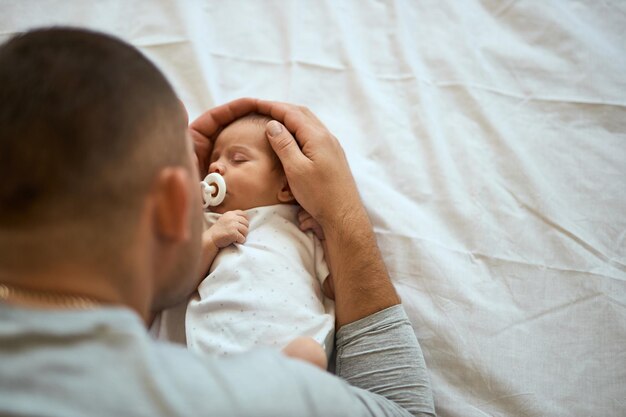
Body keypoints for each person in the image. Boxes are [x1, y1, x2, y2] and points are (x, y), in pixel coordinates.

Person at [0, 27, 436, 416]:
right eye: (199, 170)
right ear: (172, 207)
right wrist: (343, 214)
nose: (212, 172)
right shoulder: (243, 396)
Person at [154, 114, 334, 370]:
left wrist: (326, 236)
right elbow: (176, 284)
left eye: (237, 159)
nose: (216, 167)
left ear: (285, 186)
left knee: (309, 353)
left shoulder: (303, 227)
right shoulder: (209, 222)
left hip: (290, 350)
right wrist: (211, 240)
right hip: (222, 351)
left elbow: (333, 289)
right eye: (215, 159)